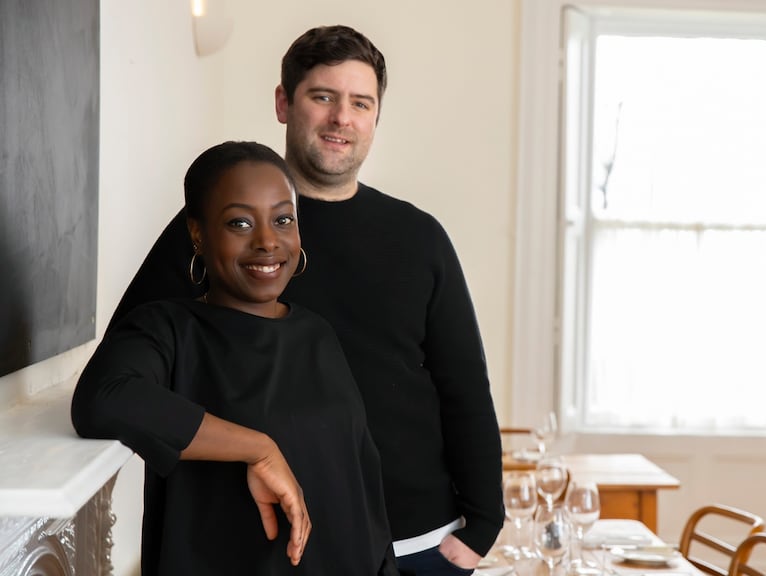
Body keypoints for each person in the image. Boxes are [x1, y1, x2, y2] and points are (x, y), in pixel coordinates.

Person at [110, 25, 504, 575]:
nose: (342, 118)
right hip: (265, 544)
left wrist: (483, 525)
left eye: (360, 103)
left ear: (375, 118)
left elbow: (463, 383)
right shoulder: (219, 233)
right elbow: (122, 371)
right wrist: (247, 446)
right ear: (283, 103)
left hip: (419, 543)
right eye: (323, 97)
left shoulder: (419, 237)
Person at [73, 141, 397, 575]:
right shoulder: (168, 329)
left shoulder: (317, 334)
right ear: (197, 234)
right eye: (240, 223)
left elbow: (362, 479)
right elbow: (102, 399)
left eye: (283, 219)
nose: (267, 241)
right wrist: (257, 449)